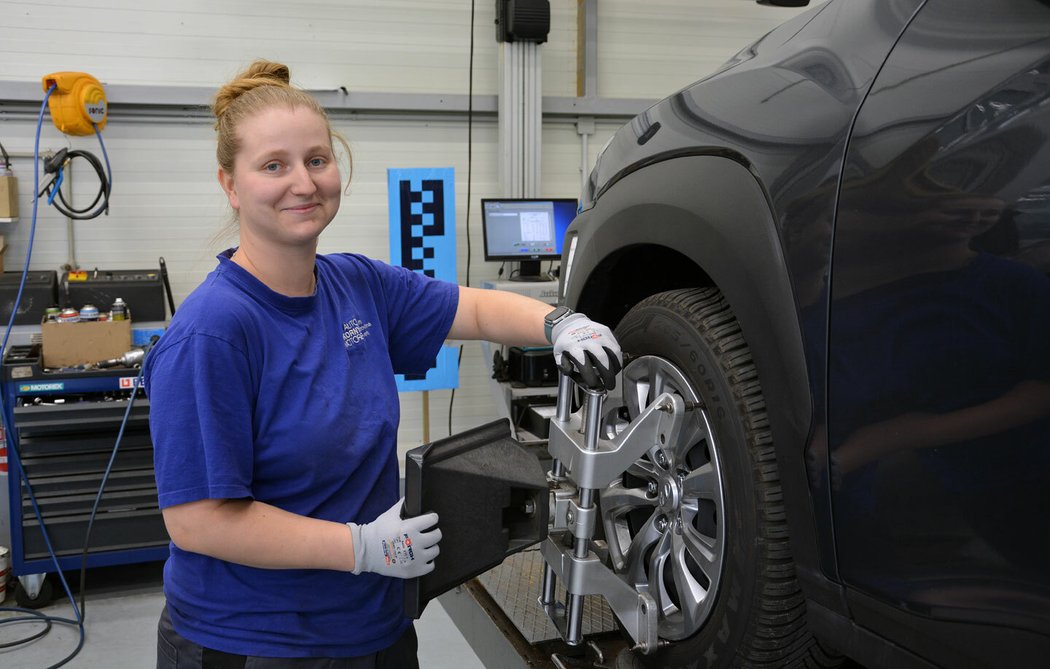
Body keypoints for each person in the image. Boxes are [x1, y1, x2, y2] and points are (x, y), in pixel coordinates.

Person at [143, 59, 622, 668]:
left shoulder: (355, 283)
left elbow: (470, 309)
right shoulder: (213, 333)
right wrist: (359, 546)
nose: (304, 182)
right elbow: (199, 522)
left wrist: (557, 323)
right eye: (273, 165)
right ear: (230, 185)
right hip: (256, 643)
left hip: (374, 624)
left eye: (317, 160)